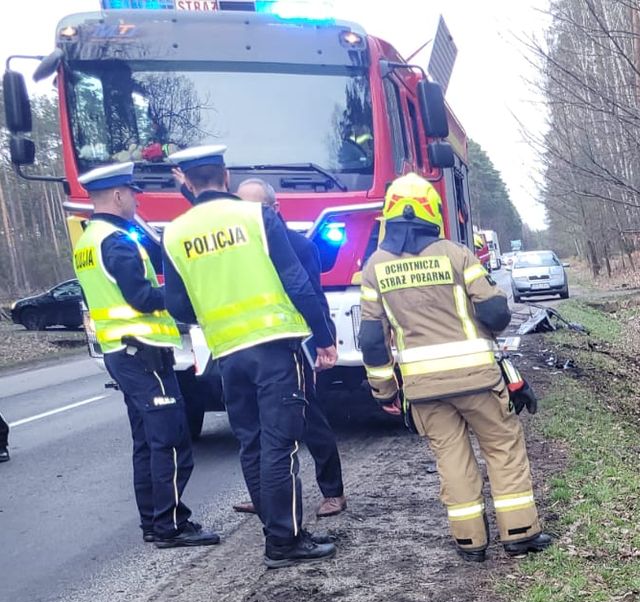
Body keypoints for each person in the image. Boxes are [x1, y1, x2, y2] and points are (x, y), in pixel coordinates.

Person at [358, 174, 552, 561]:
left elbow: (371, 340)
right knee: (502, 449)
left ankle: (470, 542)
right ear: (433, 209)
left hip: (424, 389)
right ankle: (519, 533)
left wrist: (385, 391)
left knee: (451, 457)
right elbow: (496, 313)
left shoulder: (374, 268)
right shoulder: (456, 254)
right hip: (477, 380)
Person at [162, 145, 338, 569]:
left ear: (186, 181)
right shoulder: (256, 216)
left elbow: (179, 307)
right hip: (275, 346)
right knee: (282, 444)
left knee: (252, 444)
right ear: (224, 175)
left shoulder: (174, 233)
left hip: (226, 355)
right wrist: (324, 336)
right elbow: (296, 281)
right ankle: (285, 540)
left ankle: (274, 530)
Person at [73, 161, 218, 548]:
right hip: (143, 353)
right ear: (118, 195)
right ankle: (171, 526)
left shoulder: (90, 240)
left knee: (147, 442)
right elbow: (141, 297)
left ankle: (153, 523)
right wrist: (182, 296)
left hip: (122, 352)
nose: (136, 200)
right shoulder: (116, 242)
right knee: (171, 440)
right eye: (133, 194)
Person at [233, 177, 346, 518]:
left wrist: (323, 340)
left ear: (275, 209)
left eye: (257, 208)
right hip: (254, 347)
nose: (249, 215)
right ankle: (266, 494)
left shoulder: (299, 246)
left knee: (310, 419)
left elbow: (312, 296)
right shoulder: (237, 249)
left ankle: (333, 492)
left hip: (296, 346)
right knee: (259, 427)